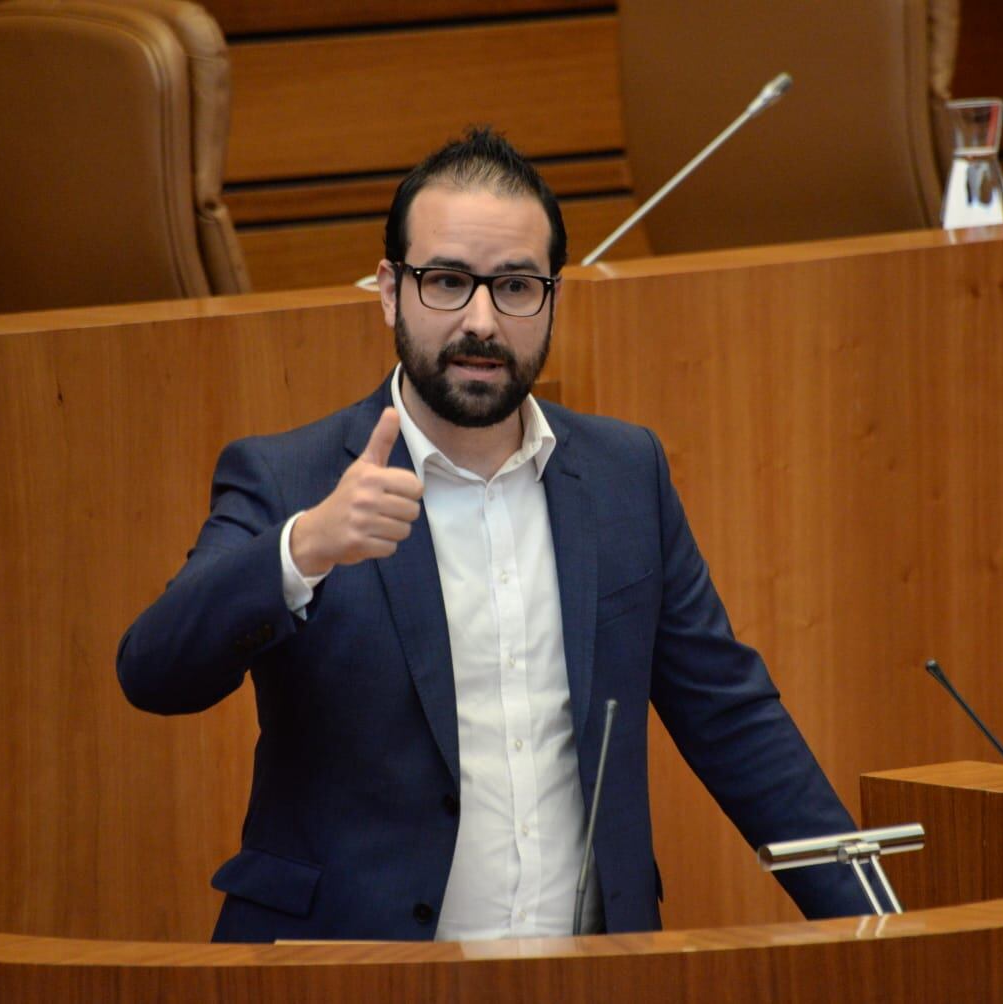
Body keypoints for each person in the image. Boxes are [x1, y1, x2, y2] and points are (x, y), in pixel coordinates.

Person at [117, 127, 865, 943]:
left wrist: (879, 929)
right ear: (388, 290)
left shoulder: (624, 475)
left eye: (514, 286)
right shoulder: (289, 479)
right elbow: (154, 672)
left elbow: (732, 719)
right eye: (445, 281)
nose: (481, 320)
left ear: (550, 297)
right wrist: (305, 549)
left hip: (583, 969)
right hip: (348, 972)